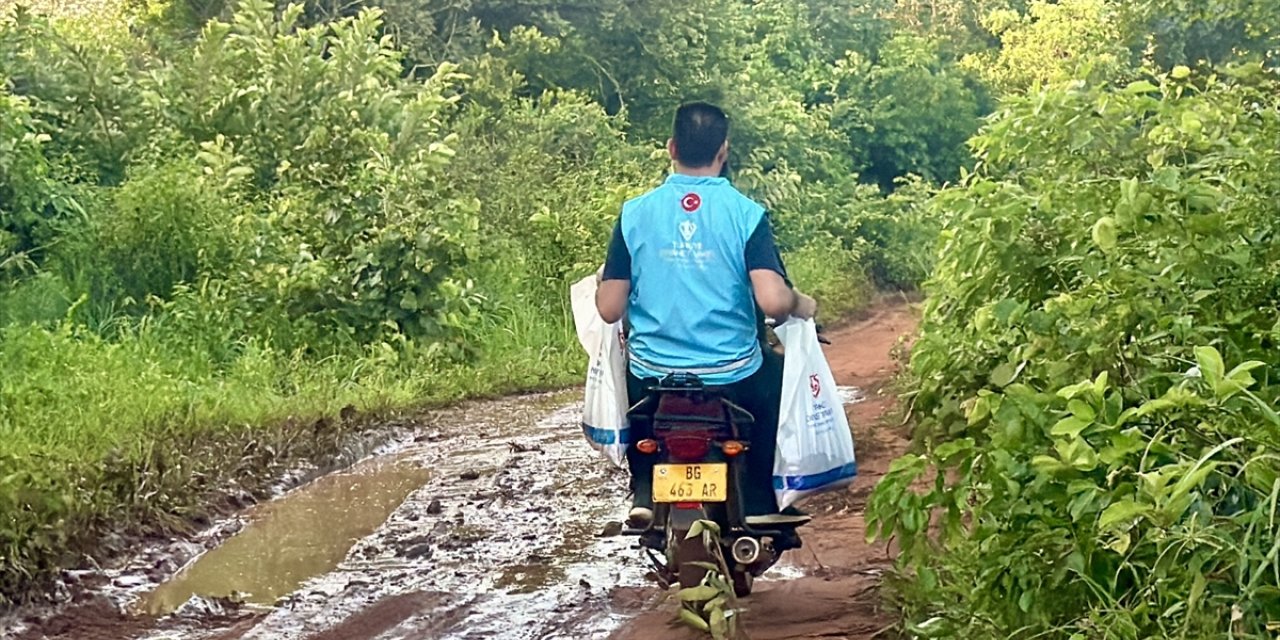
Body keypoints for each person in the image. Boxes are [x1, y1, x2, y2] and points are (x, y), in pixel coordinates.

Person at [594, 102, 817, 528]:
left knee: (636, 401)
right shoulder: (745, 214)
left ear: (671, 148)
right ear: (724, 151)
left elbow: (609, 310)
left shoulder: (635, 213)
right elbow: (772, 302)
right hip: (732, 374)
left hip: (653, 373)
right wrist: (801, 304)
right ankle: (757, 500)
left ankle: (644, 487)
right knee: (775, 384)